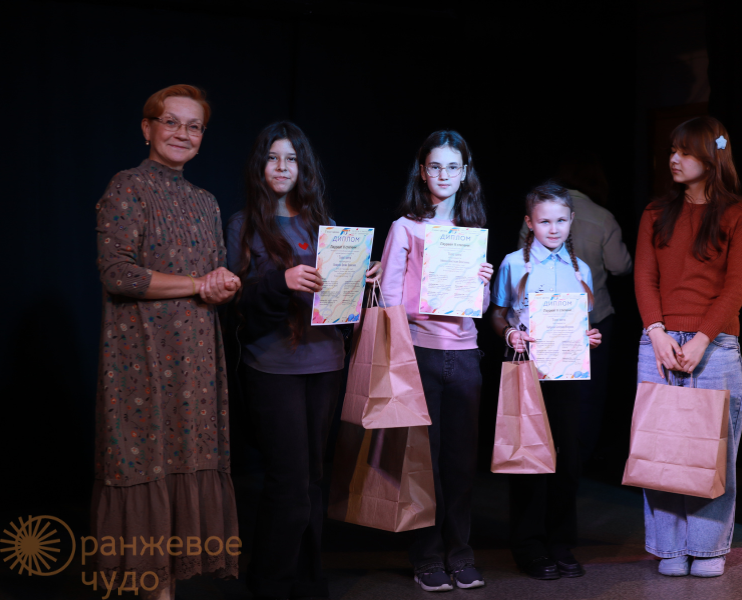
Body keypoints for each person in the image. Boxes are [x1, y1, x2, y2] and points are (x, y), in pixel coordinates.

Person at [93, 84, 241, 600]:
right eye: (171, 122)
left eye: (193, 126)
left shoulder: (206, 201)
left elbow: (211, 276)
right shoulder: (127, 186)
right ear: (147, 127)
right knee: (146, 463)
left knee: (186, 463)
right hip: (141, 356)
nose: (182, 133)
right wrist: (199, 285)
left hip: (195, 360)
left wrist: (222, 285)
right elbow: (118, 274)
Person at [226, 121, 380, 600]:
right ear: (260, 165)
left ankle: (309, 581)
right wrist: (282, 281)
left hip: (325, 361)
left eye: (291, 159)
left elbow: (337, 300)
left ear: (302, 167)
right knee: (289, 484)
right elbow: (238, 303)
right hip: (273, 367)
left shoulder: (323, 224)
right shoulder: (243, 225)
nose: (282, 167)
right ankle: (270, 584)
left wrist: (363, 276)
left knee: (312, 480)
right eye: (273, 158)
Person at [634, 116, 742, 577]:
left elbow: (737, 285)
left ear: (711, 157)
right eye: (672, 150)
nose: (674, 158)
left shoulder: (738, 214)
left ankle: (707, 549)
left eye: (685, 151)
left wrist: (702, 338)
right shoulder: (655, 213)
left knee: (713, 451)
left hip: (716, 344)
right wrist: (656, 331)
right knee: (660, 446)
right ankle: (669, 547)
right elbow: (645, 276)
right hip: (660, 341)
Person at [380, 130, 493, 592]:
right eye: (435, 166)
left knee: (461, 464)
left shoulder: (471, 230)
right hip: (420, 353)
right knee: (421, 462)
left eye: (453, 167)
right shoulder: (406, 227)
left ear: (465, 173)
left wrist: (482, 281)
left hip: (464, 355)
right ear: (422, 172)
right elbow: (390, 296)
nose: (444, 175)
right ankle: (426, 556)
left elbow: (479, 307)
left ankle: (460, 553)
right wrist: (400, 355)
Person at [490, 182, 602, 581]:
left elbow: (582, 324)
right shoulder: (513, 264)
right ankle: (529, 546)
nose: (553, 229)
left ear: (571, 221)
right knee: (529, 459)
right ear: (529, 223)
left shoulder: (580, 269)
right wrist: (510, 333)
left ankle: (560, 542)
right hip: (526, 372)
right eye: (544, 221)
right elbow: (497, 314)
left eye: (560, 220)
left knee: (567, 461)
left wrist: (589, 336)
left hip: (567, 376)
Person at [516, 153, 631, 463]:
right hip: (593, 319)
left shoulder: (539, 212)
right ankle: (577, 460)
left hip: (543, 318)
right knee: (587, 395)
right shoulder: (603, 217)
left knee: (543, 391)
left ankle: (543, 455)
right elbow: (620, 266)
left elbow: (521, 259)